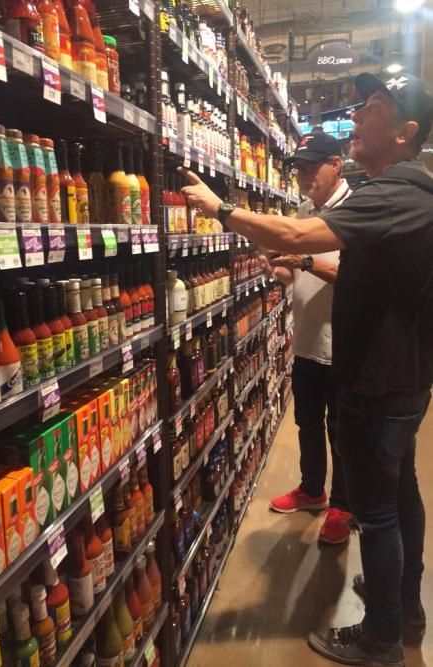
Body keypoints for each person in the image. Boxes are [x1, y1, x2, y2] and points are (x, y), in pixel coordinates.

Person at [180, 72, 433, 666]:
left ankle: (380, 637)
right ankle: (404, 605)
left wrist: (222, 208)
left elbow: (297, 233)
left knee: (377, 511)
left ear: (405, 132)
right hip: (399, 377)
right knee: (401, 492)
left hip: (378, 380)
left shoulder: (395, 192)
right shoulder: (407, 190)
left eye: (373, 108)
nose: (357, 116)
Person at [267, 132, 353, 545]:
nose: (302, 174)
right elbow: (295, 276)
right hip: (305, 342)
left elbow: (354, 277)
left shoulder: (354, 210)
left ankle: (343, 506)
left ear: (336, 164)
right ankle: (313, 489)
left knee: (341, 431)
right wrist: (278, 268)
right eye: (298, 167)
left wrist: (302, 260)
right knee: (307, 423)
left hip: (342, 347)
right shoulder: (303, 211)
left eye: (311, 165)